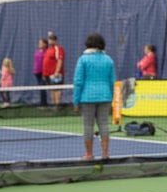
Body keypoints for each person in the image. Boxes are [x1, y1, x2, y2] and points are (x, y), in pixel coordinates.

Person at [72, 33, 116, 161]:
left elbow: (78, 81)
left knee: (88, 126)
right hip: (105, 96)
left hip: (87, 97)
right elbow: (113, 81)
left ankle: (89, 155)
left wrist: (75, 101)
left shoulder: (83, 59)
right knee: (104, 125)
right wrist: (114, 99)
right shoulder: (109, 60)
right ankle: (106, 154)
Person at [43, 33, 66, 105]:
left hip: (56, 75)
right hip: (48, 75)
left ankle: (57, 106)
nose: (50, 41)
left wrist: (57, 72)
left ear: (55, 41)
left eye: (51, 40)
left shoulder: (58, 49)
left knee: (57, 90)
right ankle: (54, 106)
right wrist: (44, 74)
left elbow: (60, 60)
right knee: (52, 90)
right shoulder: (49, 49)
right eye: (49, 39)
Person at [33, 37, 48, 105]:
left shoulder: (47, 51)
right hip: (37, 72)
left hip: (44, 73)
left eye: (41, 43)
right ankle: (42, 102)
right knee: (40, 87)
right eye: (39, 43)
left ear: (45, 44)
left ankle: (43, 103)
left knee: (43, 87)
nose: (39, 44)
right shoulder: (37, 51)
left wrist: (45, 73)